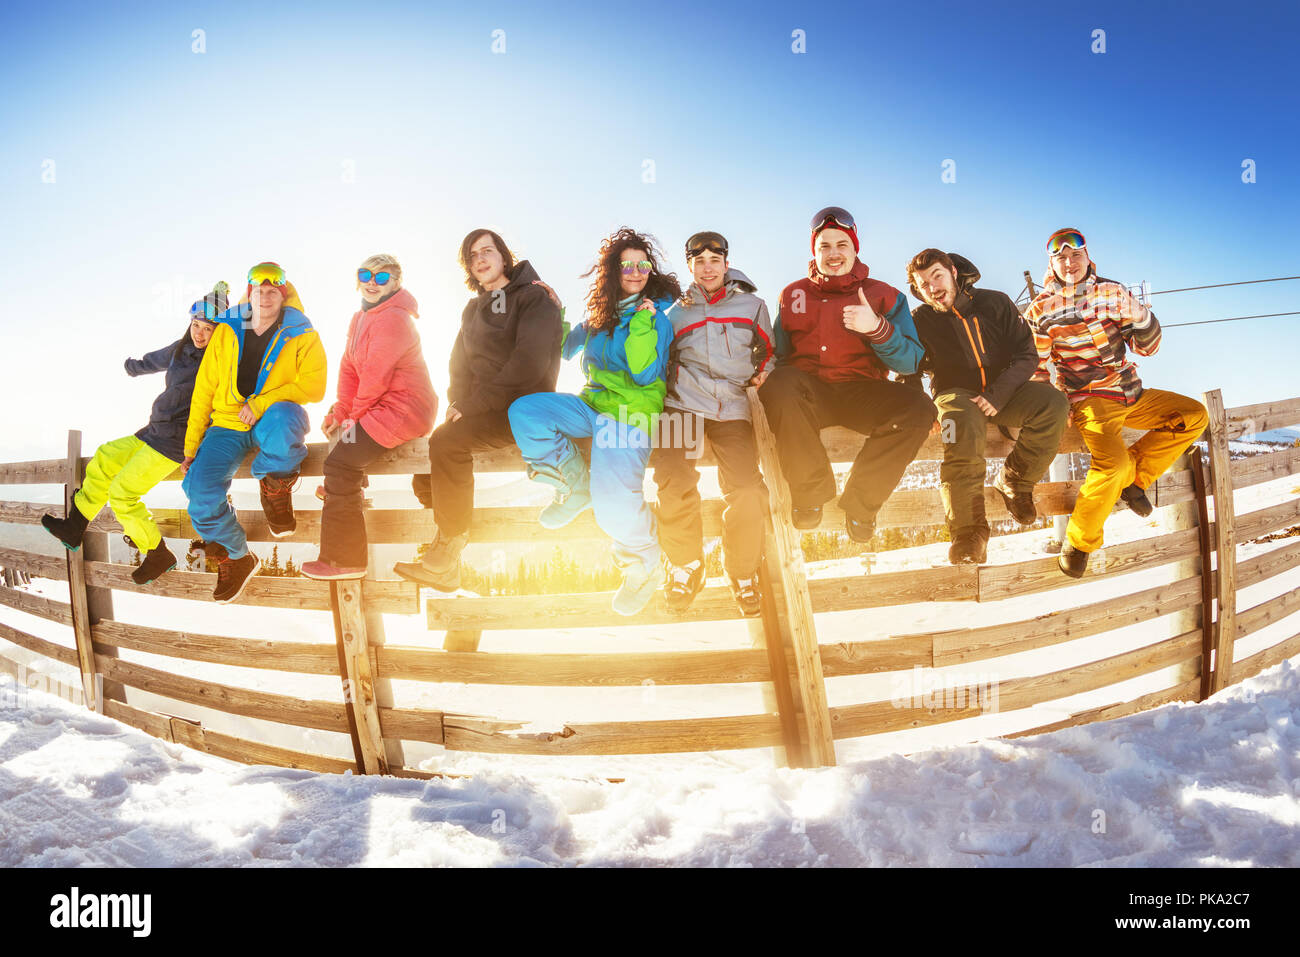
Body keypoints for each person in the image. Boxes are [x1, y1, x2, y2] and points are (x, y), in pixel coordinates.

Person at [507, 227, 678, 616]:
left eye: (642, 265)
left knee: (613, 508)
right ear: (613, 271)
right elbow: (564, 348)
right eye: (627, 265)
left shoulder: (655, 318)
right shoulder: (601, 315)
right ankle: (574, 483)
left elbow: (643, 373)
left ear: (650, 271)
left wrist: (641, 326)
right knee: (525, 412)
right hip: (594, 405)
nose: (635, 272)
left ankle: (644, 563)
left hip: (631, 411)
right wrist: (553, 308)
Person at [1024, 227, 1208, 578]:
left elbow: (1148, 348)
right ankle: (1078, 541)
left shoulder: (1112, 292)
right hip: (1091, 400)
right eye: (1061, 257)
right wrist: (1052, 402)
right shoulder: (1041, 310)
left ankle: (1135, 478)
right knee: (1111, 465)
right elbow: (1035, 367)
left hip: (1131, 392)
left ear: (1087, 256)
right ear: (1052, 264)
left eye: (1075, 254)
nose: (1069, 262)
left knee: (1193, 416)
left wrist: (1140, 315)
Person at [395, 230, 562, 591]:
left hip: (524, 408)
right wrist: (458, 405)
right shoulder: (472, 309)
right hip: (483, 408)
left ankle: (446, 554)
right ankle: (447, 549)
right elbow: (459, 366)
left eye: (488, 251)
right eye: (473, 256)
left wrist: (474, 405)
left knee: (446, 445)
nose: (481, 259)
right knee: (425, 470)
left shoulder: (535, 298)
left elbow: (528, 363)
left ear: (504, 256)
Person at [759, 206, 936, 542]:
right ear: (814, 251)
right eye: (824, 246)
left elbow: (911, 362)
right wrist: (764, 372)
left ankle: (861, 503)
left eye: (842, 244)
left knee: (918, 408)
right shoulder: (792, 294)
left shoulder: (883, 295)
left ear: (855, 249)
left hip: (862, 391)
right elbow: (778, 354)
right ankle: (810, 494)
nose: (833, 253)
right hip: (811, 392)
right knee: (779, 384)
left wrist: (878, 329)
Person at [41, 283, 227, 585]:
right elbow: (157, 358)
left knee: (123, 494)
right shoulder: (182, 348)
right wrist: (135, 367)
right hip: (154, 430)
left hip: (176, 441)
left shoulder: (218, 360)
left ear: (219, 331)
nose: (200, 334)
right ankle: (76, 525)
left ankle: (157, 553)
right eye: (196, 326)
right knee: (104, 456)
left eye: (208, 328)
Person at [908, 249, 1069, 564]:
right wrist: (920, 403)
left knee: (1053, 404)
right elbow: (908, 367)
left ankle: (1015, 481)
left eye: (937, 276)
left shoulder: (995, 303)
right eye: (923, 284)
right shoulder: (920, 320)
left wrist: (998, 394)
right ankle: (969, 534)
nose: (932, 288)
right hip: (955, 395)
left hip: (1003, 391)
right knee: (960, 429)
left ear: (953, 271)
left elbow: (1027, 354)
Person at [182, 262, 327, 603]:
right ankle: (237, 555)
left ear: (283, 293)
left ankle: (275, 491)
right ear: (249, 293)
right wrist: (190, 449)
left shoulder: (302, 332)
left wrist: (262, 403)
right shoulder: (228, 330)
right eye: (258, 291)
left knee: (284, 420)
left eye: (272, 291)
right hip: (227, 424)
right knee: (198, 490)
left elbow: (315, 385)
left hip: (271, 416)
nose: (265, 297)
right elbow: (204, 389)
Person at [651, 230, 774, 616]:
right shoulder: (675, 313)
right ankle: (686, 565)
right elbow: (657, 358)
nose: (707, 268)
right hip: (682, 404)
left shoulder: (753, 306)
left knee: (748, 490)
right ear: (690, 265)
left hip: (732, 407)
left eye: (714, 261)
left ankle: (740, 570)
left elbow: (771, 352)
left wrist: (765, 374)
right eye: (699, 261)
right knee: (672, 475)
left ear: (726, 263)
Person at [301, 255, 437, 580]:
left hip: (406, 406)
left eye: (382, 277)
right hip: (380, 404)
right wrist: (341, 411)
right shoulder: (359, 318)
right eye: (365, 274)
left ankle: (344, 560)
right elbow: (349, 369)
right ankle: (346, 489)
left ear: (396, 283)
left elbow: (375, 376)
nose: (372, 282)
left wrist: (353, 419)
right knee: (344, 453)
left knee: (340, 463)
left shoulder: (395, 319)